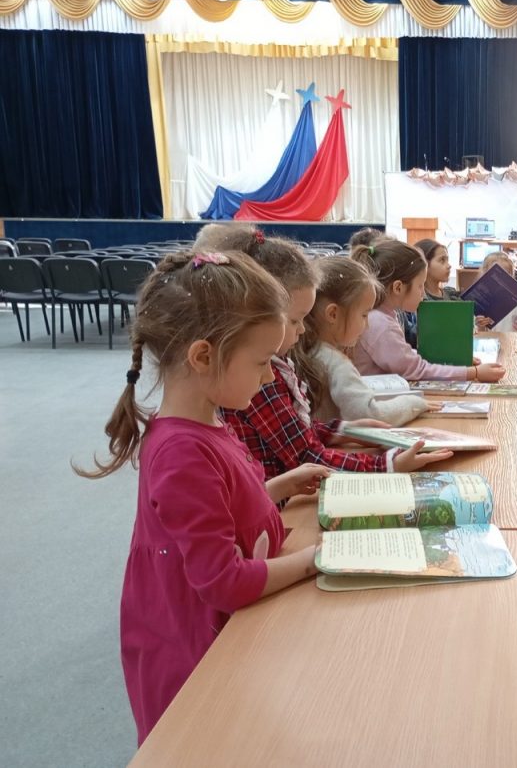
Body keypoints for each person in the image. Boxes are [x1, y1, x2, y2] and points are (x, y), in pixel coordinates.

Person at [75, 249, 333, 744]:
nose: (269, 376)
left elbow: (223, 509)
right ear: (202, 356)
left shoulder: (207, 420)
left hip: (228, 632)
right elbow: (224, 581)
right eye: (262, 362)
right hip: (194, 651)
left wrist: (279, 485)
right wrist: (315, 560)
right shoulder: (182, 453)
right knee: (206, 742)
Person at [195, 224, 452, 479]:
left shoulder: (272, 365)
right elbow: (305, 455)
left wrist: (340, 430)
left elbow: (295, 430)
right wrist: (387, 464)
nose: (303, 329)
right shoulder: (259, 376)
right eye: (295, 320)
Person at [301, 255, 436, 425]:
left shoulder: (308, 351)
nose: (367, 326)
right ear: (333, 314)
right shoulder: (335, 363)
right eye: (364, 315)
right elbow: (370, 414)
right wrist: (414, 403)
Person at [351, 239, 505, 382]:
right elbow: (416, 370)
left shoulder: (383, 316)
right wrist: (474, 373)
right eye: (420, 286)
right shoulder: (380, 323)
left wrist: (453, 359)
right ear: (398, 287)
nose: (423, 293)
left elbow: (406, 357)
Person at [476, 252, 517, 332]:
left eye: (506, 275)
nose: (499, 281)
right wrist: (480, 326)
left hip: (512, 339)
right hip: (490, 339)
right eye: (495, 275)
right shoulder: (479, 305)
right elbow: (476, 334)